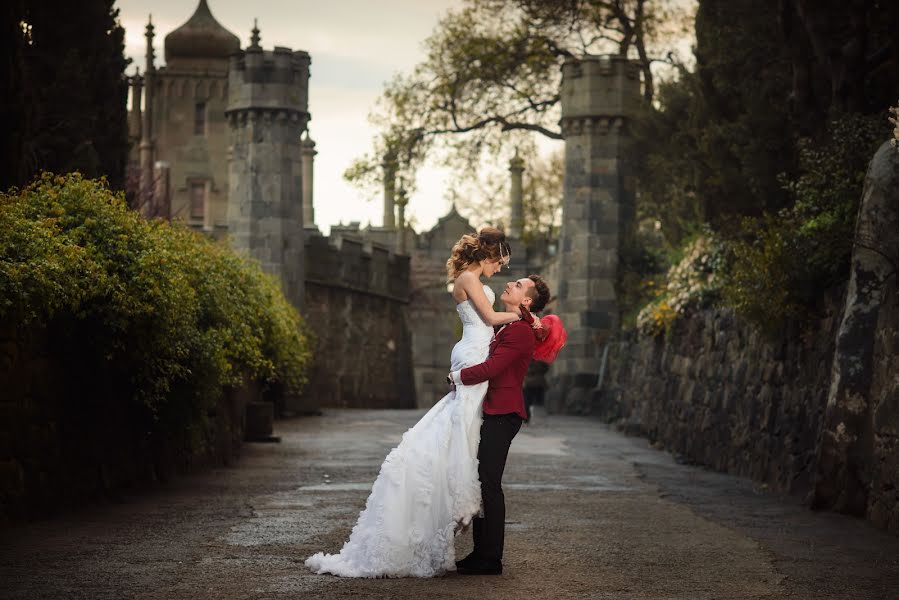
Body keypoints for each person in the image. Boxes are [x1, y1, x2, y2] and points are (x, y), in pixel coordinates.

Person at [305, 227, 535, 578]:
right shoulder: (470, 279)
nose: (501, 271)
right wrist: (523, 317)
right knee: (465, 431)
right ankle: (470, 515)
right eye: (500, 263)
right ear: (488, 256)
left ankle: (472, 518)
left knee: (466, 433)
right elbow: (489, 319)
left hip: (475, 352)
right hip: (473, 352)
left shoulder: (470, 278)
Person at [449, 274, 552, 576]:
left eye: (518, 286)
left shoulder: (520, 331)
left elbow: (494, 367)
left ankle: (491, 558)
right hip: (491, 409)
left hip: (504, 413)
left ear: (527, 301)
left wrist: (457, 377)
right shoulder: (506, 323)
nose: (510, 284)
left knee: (489, 484)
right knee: (482, 481)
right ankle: (480, 553)